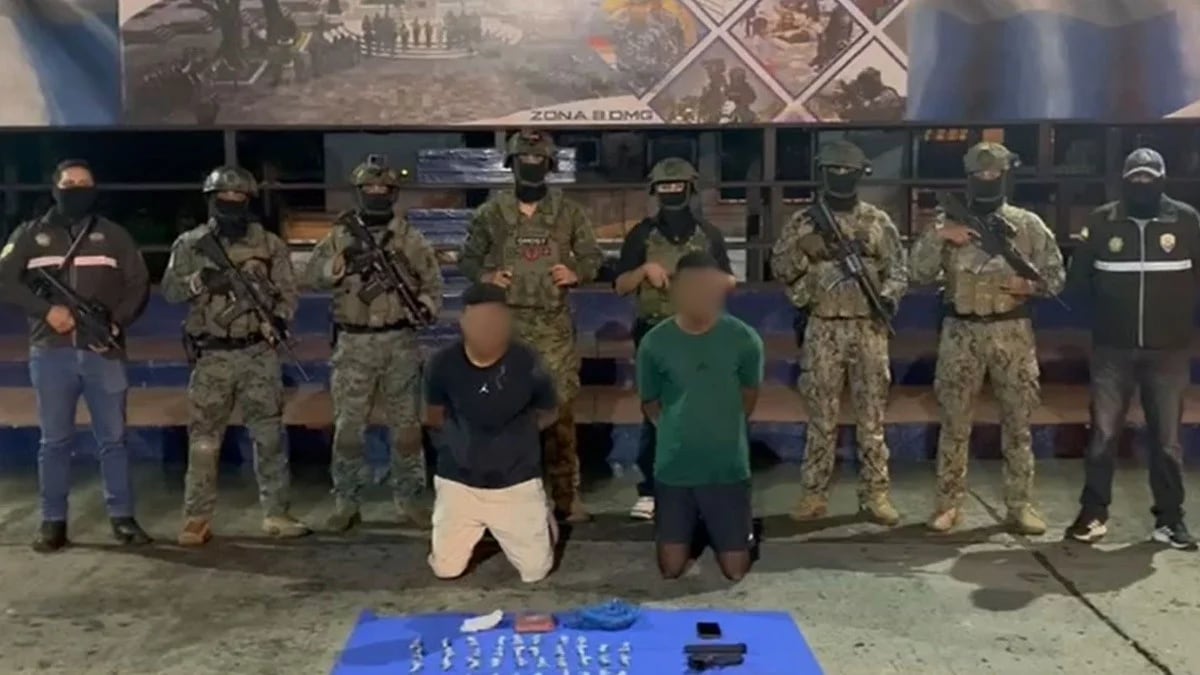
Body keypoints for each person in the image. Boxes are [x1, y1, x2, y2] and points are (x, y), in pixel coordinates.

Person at [910, 142, 1065, 534]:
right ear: (968, 177)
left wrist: (1030, 286)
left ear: (1005, 176)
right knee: (954, 422)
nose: (986, 179)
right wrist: (941, 236)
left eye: (994, 173)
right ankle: (948, 505)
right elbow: (918, 273)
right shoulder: (947, 223)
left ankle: (1020, 505)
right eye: (979, 174)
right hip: (960, 331)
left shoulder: (1027, 225)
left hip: (1011, 332)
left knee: (1018, 422)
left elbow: (1056, 277)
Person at [0, 160, 151, 552]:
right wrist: (45, 310)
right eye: (70, 183)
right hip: (51, 352)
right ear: (55, 188)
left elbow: (138, 283)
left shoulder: (113, 235)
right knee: (54, 441)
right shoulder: (30, 235)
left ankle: (122, 517)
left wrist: (115, 323)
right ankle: (52, 521)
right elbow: (5, 280)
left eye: (85, 183)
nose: (78, 189)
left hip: (104, 351)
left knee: (113, 440)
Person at [459, 130, 604, 523]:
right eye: (524, 159)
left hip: (553, 327)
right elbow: (468, 259)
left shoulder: (569, 212)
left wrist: (576, 272)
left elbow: (592, 256)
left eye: (538, 160)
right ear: (512, 165)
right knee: (503, 415)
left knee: (559, 414)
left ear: (549, 165)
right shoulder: (491, 213)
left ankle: (565, 496)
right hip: (505, 327)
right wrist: (487, 276)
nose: (531, 165)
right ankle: (503, 497)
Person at [161, 166, 310, 546]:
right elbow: (171, 291)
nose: (230, 204)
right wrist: (200, 281)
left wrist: (277, 320)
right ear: (211, 201)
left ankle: (276, 512)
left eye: (238, 198)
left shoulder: (269, 245)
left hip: (258, 352)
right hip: (212, 355)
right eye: (223, 198)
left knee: (269, 437)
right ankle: (197, 517)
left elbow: (288, 292)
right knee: (204, 441)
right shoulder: (191, 244)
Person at [1065, 148, 1198, 551]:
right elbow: (1079, 281)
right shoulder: (1101, 221)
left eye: (1149, 177)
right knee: (1103, 435)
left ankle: (1170, 520)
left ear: (1162, 179)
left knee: (1167, 442)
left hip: (1169, 351)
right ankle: (1093, 514)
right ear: (1124, 180)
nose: (1142, 184)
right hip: (1112, 350)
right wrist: (1105, 317)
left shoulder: (1187, 221)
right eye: (1135, 177)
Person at [770, 140, 908, 526]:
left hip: (868, 327)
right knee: (821, 419)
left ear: (860, 174)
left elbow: (899, 270)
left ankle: (876, 494)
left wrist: (887, 298)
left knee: (872, 419)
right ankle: (814, 494)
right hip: (823, 328)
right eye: (834, 170)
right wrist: (803, 250)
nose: (841, 176)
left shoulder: (877, 221)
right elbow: (781, 269)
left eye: (848, 171)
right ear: (823, 173)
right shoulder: (803, 222)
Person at [303, 156, 443, 531]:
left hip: (400, 341)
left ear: (393, 194)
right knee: (349, 430)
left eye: (383, 189)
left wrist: (424, 306)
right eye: (369, 188)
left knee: (407, 428)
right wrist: (339, 264)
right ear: (359, 192)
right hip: (354, 343)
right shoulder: (340, 235)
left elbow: (432, 286)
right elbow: (313, 275)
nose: (376, 194)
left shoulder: (411, 239)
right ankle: (346, 502)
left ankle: (409, 500)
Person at [613, 157, 736, 521]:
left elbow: (730, 280)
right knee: (656, 414)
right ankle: (652, 490)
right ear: (655, 191)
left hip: (701, 334)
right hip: (655, 334)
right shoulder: (641, 234)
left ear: (689, 189)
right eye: (664, 187)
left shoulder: (708, 234)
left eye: (677, 186)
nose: (671, 193)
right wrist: (644, 270)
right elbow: (620, 285)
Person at [636, 251, 764, 581]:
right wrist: (677, 431)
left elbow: (748, 396)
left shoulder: (744, 339)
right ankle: (686, 523)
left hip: (726, 470)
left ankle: (732, 526)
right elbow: (650, 402)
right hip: (674, 470)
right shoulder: (654, 342)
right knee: (670, 569)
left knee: (735, 571)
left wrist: (720, 429)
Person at [424, 283, 559, 583]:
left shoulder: (529, 362)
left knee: (535, 572)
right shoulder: (441, 363)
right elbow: (433, 415)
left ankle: (542, 516)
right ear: (463, 321)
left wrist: (514, 441)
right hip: (459, 483)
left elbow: (549, 411)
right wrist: (461, 445)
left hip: (515, 482)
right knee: (446, 570)